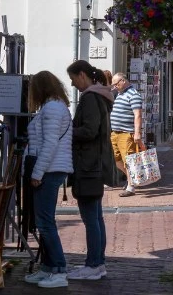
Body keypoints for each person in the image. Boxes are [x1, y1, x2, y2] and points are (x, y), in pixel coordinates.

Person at [22, 70, 74, 288]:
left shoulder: (52, 108)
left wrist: (37, 173)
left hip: (49, 170)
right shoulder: (54, 107)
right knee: (44, 221)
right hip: (49, 168)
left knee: (45, 222)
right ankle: (48, 268)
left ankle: (59, 270)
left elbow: (50, 143)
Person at [66, 61, 114, 281]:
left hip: (88, 165)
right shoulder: (101, 96)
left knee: (90, 217)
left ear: (82, 75)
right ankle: (98, 263)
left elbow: (90, 130)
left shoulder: (90, 97)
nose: (73, 84)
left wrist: (68, 130)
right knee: (96, 216)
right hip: (95, 164)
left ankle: (94, 263)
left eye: (73, 79)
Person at [108, 73, 142, 198]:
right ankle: (132, 179)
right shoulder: (120, 94)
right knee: (117, 160)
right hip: (115, 132)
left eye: (116, 84)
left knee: (128, 160)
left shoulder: (133, 95)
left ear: (123, 81)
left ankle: (131, 187)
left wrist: (137, 132)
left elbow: (138, 114)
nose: (115, 87)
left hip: (126, 133)